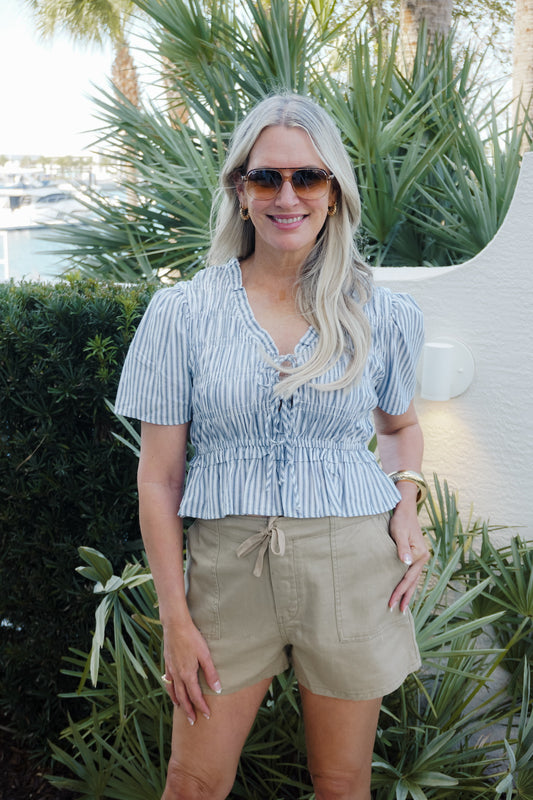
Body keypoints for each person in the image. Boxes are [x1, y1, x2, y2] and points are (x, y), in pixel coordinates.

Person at [115, 92, 430, 800]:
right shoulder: (184, 313)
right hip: (229, 571)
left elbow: (400, 428)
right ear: (240, 189)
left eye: (307, 177)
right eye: (266, 177)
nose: (287, 196)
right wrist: (175, 618)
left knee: (341, 783)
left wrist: (408, 503)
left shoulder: (380, 311)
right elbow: (159, 479)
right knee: (192, 780)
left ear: (334, 191)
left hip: (354, 566)